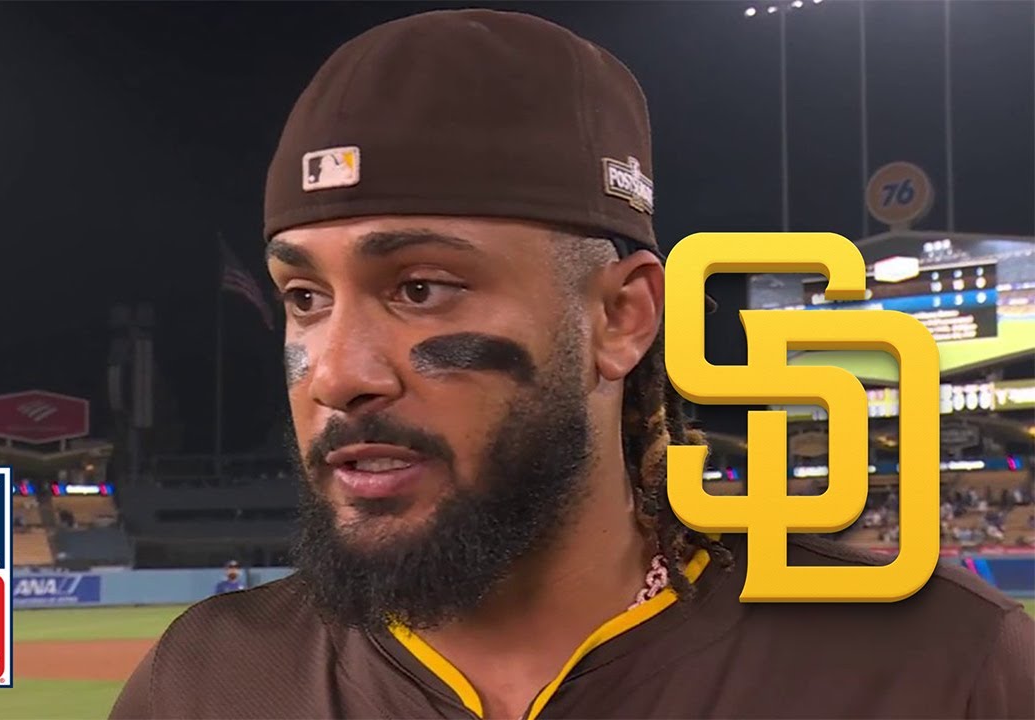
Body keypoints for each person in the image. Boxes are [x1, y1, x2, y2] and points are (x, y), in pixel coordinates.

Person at [111, 9, 1033, 719]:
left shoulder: (934, 667)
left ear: (621, 317)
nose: (336, 374)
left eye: (421, 288)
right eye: (306, 298)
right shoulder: (207, 683)